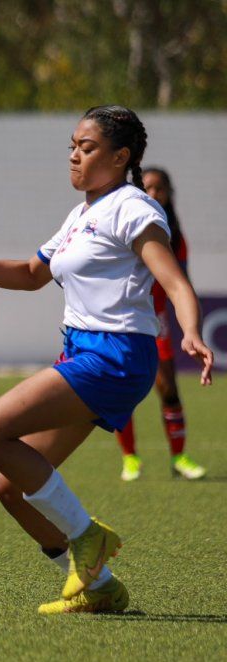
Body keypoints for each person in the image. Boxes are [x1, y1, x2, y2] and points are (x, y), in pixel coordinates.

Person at [0, 105, 214, 615]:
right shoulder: (83, 214)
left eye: (87, 148)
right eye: (72, 147)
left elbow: (173, 281)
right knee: (12, 489)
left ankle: (87, 536)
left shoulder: (133, 207)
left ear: (120, 156)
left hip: (117, 356)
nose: (74, 157)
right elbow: (32, 273)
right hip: (85, 353)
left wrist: (191, 330)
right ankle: (98, 586)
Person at [114, 167, 207, 481]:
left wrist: (191, 327)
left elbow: (180, 282)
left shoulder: (173, 234)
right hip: (123, 318)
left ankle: (179, 457)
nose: (153, 194)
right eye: (147, 188)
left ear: (168, 194)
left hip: (155, 320)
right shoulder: (123, 224)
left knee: (168, 388)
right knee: (122, 390)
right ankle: (130, 458)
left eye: (159, 189)